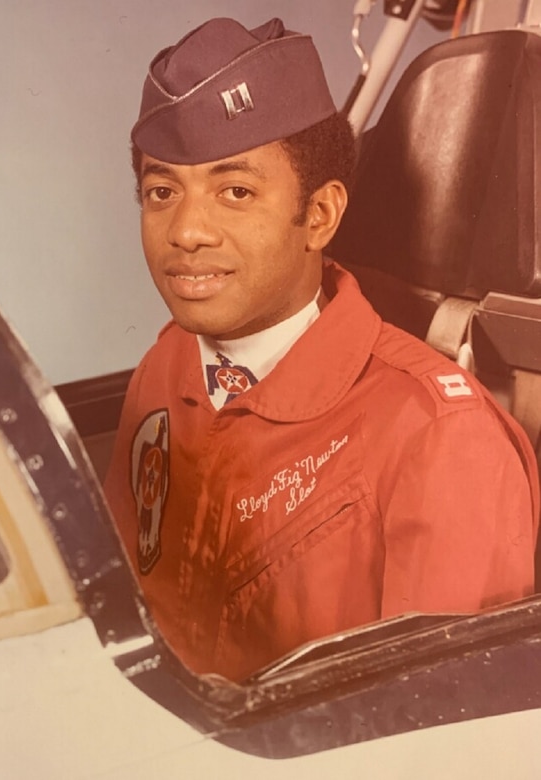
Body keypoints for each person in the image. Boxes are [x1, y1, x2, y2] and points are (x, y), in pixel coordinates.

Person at [104, 17, 539, 682]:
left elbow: (445, 737)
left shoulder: (440, 440)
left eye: (235, 192)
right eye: (162, 192)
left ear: (319, 216)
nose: (185, 230)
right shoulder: (166, 367)